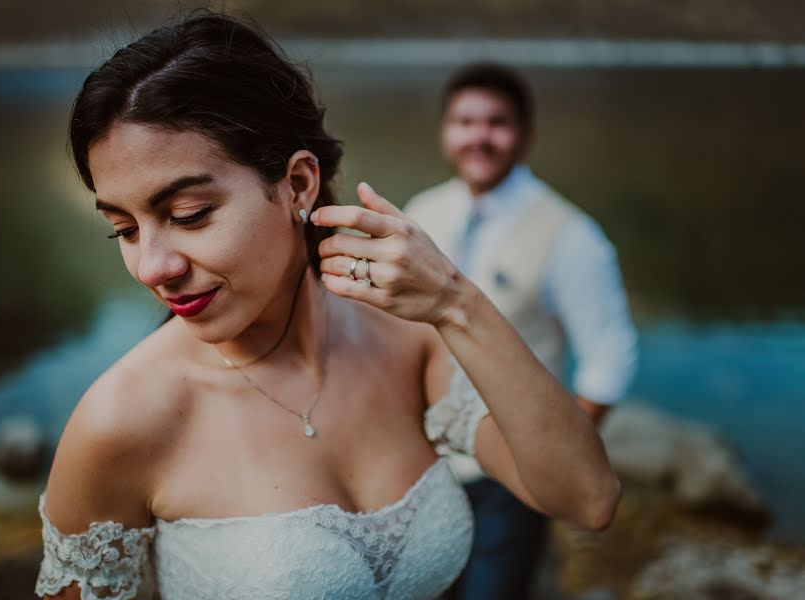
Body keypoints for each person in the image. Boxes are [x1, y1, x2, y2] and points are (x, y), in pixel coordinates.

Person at [35, 14, 621, 600]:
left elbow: (586, 498)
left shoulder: (405, 338)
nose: (152, 267)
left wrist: (456, 302)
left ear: (296, 183)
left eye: (189, 214)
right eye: (124, 230)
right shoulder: (120, 423)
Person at [405, 64, 638, 599]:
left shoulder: (572, 236)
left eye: (496, 123)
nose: (479, 137)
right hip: (425, 466)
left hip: (510, 474)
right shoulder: (423, 213)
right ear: (446, 132)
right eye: (464, 121)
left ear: (525, 136)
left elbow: (610, 357)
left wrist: (560, 453)